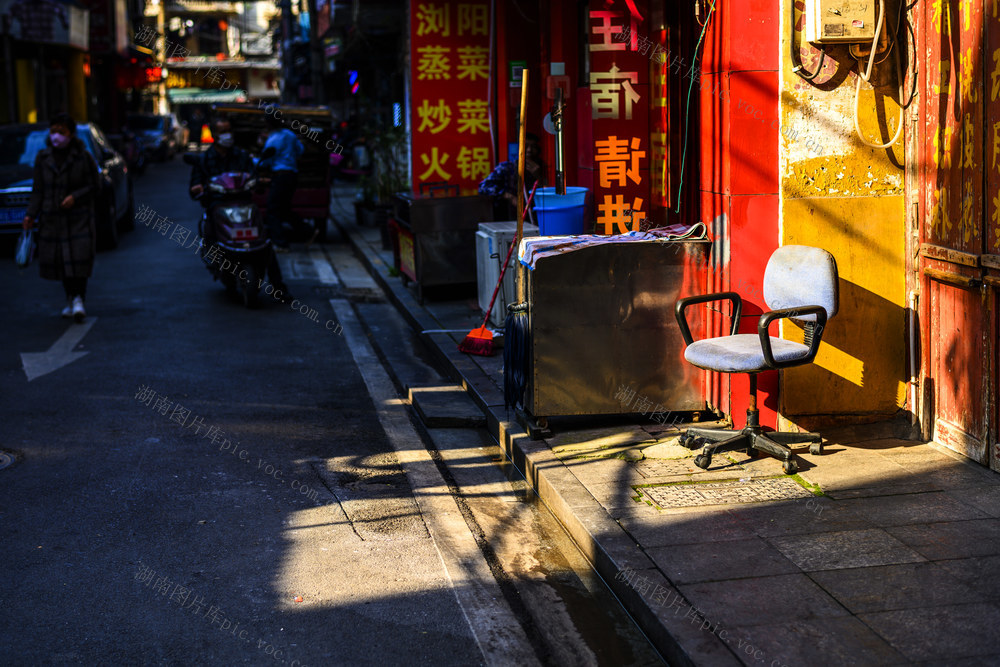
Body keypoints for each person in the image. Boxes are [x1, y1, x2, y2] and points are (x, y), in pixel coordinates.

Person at [188, 118, 291, 300]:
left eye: (229, 131)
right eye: (223, 131)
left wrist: (261, 181)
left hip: (244, 203)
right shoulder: (205, 160)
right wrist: (197, 187)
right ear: (214, 135)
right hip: (218, 205)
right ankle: (214, 259)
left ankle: (279, 286)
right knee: (208, 229)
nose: (227, 135)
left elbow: (254, 176)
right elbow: (195, 184)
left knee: (265, 242)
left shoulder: (242, 156)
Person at [22, 112, 100, 323]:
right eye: (54, 131)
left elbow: (95, 185)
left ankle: (78, 300)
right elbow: (38, 190)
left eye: (61, 132)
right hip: (52, 219)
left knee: (79, 261)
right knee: (62, 263)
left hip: (78, 218)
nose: (57, 136)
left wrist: (76, 197)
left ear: (71, 134)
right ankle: (70, 298)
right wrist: (30, 215)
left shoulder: (83, 158)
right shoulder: (43, 158)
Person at [258, 111, 304, 251]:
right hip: (292, 175)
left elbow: (265, 161)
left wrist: (256, 163)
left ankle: (281, 243)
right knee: (284, 208)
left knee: (273, 210)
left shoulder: (273, 140)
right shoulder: (290, 135)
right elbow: (300, 150)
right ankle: (307, 231)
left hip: (280, 176)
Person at [478, 133, 544, 220]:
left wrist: (538, 176)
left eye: (533, 147)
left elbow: (549, 192)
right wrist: (509, 196)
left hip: (536, 217)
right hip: (509, 218)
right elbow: (483, 187)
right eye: (526, 146)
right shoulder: (507, 167)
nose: (529, 150)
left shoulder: (542, 167)